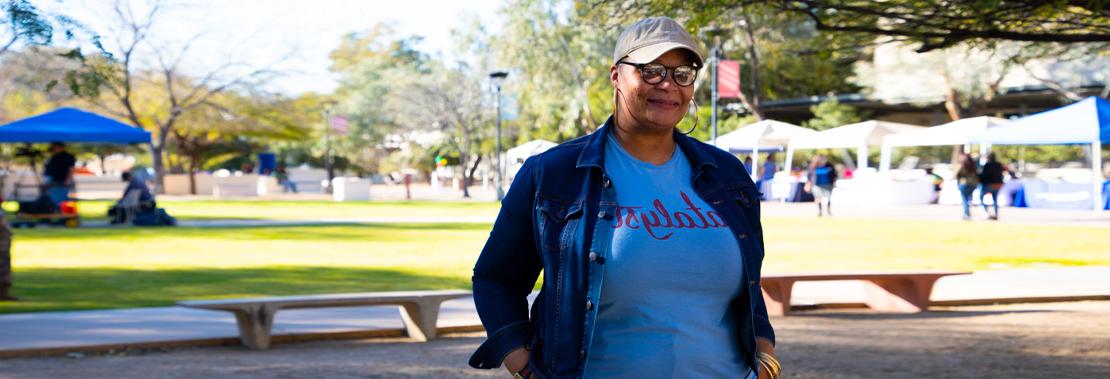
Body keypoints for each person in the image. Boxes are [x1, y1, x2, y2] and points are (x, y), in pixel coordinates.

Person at [469, 16, 779, 379]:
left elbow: (750, 290)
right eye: (651, 70)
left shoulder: (726, 175)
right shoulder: (553, 174)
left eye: (683, 73)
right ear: (616, 75)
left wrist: (767, 361)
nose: (668, 84)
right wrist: (526, 367)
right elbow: (495, 278)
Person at [43, 142, 76, 206]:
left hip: (62, 181)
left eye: (54, 148)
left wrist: (68, 179)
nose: (53, 150)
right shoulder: (54, 157)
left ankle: (61, 210)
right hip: (53, 181)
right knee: (53, 197)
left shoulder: (68, 156)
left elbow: (71, 169)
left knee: (61, 198)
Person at [978, 153, 1005, 220]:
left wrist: (979, 178)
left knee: (981, 197)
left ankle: (986, 213)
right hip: (997, 185)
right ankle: (996, 214)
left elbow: (985, 175)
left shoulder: (988, 165)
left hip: (989, 184)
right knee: (995, 199)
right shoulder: (999, 165)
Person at [955, 153, 980, 221]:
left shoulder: (962, 165)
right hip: (972, 184)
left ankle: (966, 214)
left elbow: (957, 174)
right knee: (968, 199)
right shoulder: (973, 165)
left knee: (965, 200)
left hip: (964, 184)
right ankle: (967, 213)